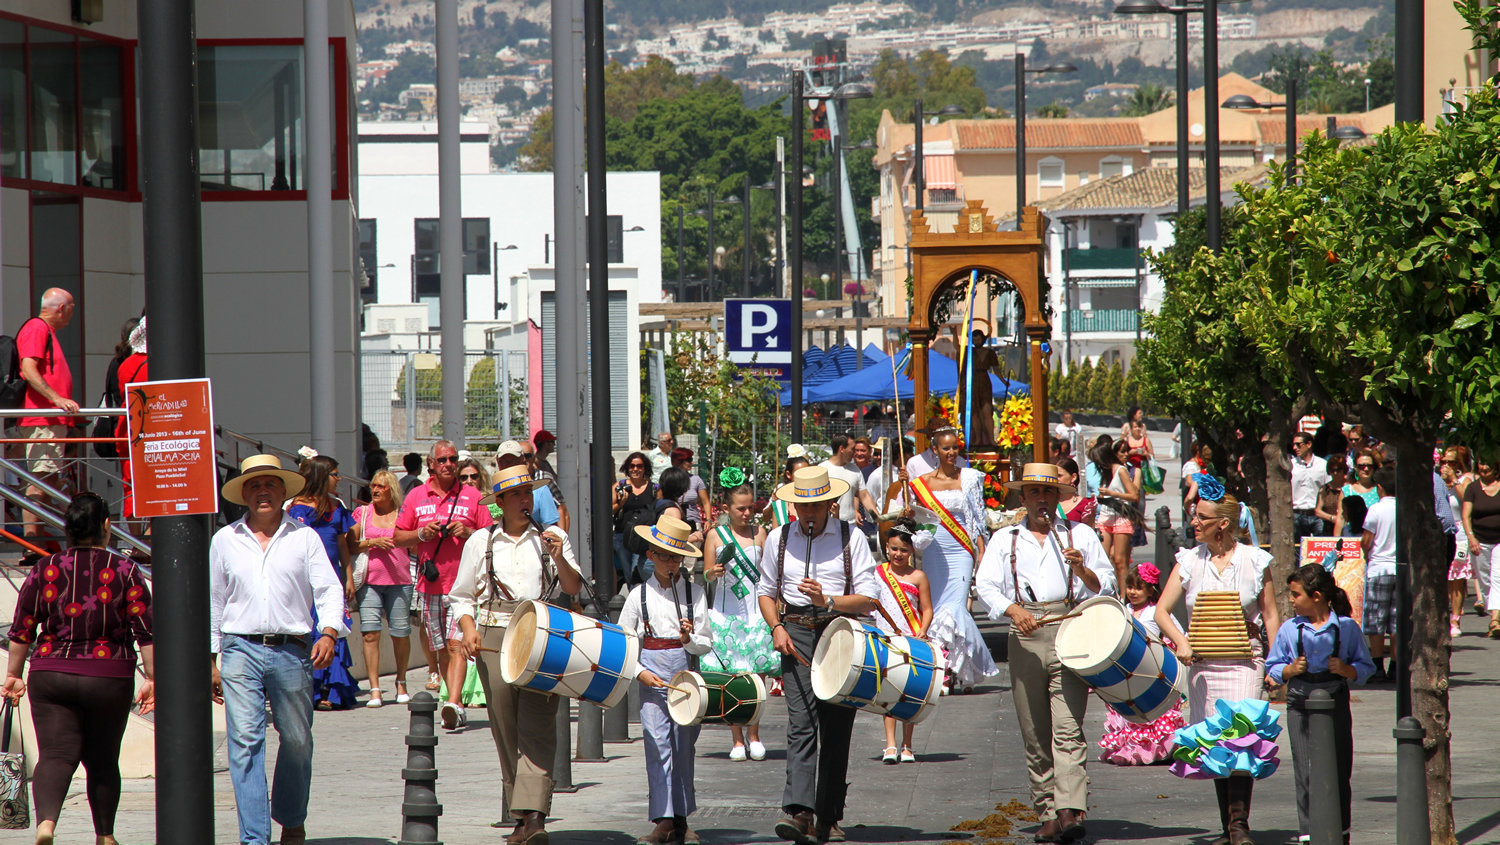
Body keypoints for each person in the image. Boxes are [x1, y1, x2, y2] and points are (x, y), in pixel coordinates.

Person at [974, 463, 1115, 843]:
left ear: (1059, 498)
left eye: (1048, 493)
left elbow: (1108, 584)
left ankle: (1070, 808)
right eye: (1034, 492)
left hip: (1070, 630)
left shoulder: (1080, 534)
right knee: (1035, 731)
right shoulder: (1007, 540)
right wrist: (1012, 609)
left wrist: (1084, 570)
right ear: (1023, 499)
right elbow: (985, 584)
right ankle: (1048, 810)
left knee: (1068, 728)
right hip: (1026, 635)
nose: (1041, 500)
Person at [211, 455, 346, 845]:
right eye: (253, 485)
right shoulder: (225, 540)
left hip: (292, 650)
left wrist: (329, 633)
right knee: (246, 742)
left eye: (270, 484)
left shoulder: (304, 537)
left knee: (298, 738)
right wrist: (213, 657)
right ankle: (255, 838)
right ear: (244, 495)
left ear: (285, 491)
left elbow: (328, 588)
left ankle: (291, 817)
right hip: (240, 649)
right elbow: (215, 601)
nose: (262, 491)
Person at [4, 493, 154, 845]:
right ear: (106, 526)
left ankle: (47, 825)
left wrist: (13, 674)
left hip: (50, 671)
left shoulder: (44, 569)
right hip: (108, 674)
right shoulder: (126, 570)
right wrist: (152, 678)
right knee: (102, 758)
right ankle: (105, 836)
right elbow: (146, 631)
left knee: (55, 754)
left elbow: (22, 627)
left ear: (67, 529)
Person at [452, 464, 582, 845]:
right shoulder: (480, 541)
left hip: (542, 632)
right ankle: (521, 816)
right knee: (505, 725)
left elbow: (573, 585)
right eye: (517, 494)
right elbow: (461, 595)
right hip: (495, 634)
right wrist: (469, 629)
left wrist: (560, 557)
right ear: (502, 502)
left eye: (528, 492)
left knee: (541, 723)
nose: (526, 499)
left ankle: (536, 816)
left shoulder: (552, 536)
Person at [759, 467, 880, 845]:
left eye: (815, 505)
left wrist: (826, 599)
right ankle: (799, 812)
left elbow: (868, 596)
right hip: (795, 631)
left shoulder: (852, 536)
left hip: (840, 632)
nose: (808, 513)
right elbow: (765, 591)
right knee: (801, 721)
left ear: (830, 503)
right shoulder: (778, 538)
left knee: (837, 724)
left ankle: (829, 814)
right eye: (801, 505)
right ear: (793, 505)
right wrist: (776, 627)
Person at [1156, 482, 1281, 845]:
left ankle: (1239, 826)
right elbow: (1162, 611)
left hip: (1245, 659)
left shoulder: (1256, 561)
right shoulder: (1189, 560)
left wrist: (1276, 664)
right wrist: (1181, 641)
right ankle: (1229, 826)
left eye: (1202, 517)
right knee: (1214, 743)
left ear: (1222, 524)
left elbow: (1271, 615)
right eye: (1195, 515)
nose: (1194, 522)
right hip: (1204, 663)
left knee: (1241, 737)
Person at [1265, 564, 1374, 845]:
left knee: (1339, 770)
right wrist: (1289, 670)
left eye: (1295, 594)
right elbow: (1273, 667)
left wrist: (1346, 669)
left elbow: (1366, 666)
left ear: (1315, 596)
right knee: (1305, 772)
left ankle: (1341, 833)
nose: (1290, 599)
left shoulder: (1346, 628)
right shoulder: (1290, 628)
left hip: (1334, 699)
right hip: (1300, 702)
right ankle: (1309, 834)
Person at [621, 515, 712, 845]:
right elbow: (626, 642)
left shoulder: (695, 593)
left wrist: (689, 638)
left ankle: (682, 819)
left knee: (683, 746)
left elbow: (706, 641)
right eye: (664, 556)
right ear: (650, 555)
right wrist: (640, 673)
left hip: (685, 675)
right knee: (657, 745)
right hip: (652, 676)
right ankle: (662, 819)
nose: (671, 563)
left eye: (676, 557)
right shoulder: (638, 596)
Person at [394, 440, 494, 730]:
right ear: (431, 465)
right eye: (443, 460)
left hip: (464, 587)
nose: (449, 464)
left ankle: (455, 704)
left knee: (455, 644)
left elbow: (491, 534)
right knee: (440, 648)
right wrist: (422, 534)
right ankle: (453, 696)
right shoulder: (415, 496)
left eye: (452, 459)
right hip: (429, 585)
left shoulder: (473, 496)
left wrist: (469, 532)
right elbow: (398, 537)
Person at [908, 428, 998, 693]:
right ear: (934, 450)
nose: (951, 453)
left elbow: (977, 517)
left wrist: (982, 551)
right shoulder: (921, 483)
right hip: (935, 551)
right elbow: (918, 518)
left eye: (955, 448)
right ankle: (945, 670)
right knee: (936, 608)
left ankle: (964, 669)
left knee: (957, 606)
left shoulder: (969, 478)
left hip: (961, 550)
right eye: (945, 448)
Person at [702, 482, 775, 762]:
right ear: (726, 509)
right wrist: (713, 572)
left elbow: (768, 575)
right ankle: (736, 739)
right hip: (726, 613)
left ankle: (754, 735)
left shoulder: (761, 533)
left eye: (750, 508)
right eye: (740, 508)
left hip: (756, 614)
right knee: (731, 679)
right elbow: (706, 574)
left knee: (757, 676)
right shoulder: (714, 536)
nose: (747, 513)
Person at [287, 457, 361, 711]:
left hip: (333, 580)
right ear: (321, 476)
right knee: (315, 632)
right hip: (308, 583)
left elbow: (342, 545)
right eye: (335, 474)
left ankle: (332, 690)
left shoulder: (337, 506)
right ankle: (316, 690)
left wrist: (348, 577)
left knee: (334, 630)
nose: (339, 479)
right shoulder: (298, 508)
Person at [1097, 563, 1187, 766]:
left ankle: (1155, 749)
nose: (1132, 592)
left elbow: (1178, 633)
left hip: (1152, 670)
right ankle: (1131, 749)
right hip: (1126, 671)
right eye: (1129, 587)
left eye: (1138, 588)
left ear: (1150, 589)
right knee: (1129, 711)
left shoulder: (1157, 612)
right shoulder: (1123, 610)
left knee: (1153, 711)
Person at [16, 289, 81, 549]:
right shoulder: (37, 327)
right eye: (72, 308)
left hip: (49, 420)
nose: (72, 315)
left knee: (49, 480)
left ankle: (39, 542)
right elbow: (28, 368)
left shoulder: (43, 330)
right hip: (42, 420)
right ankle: (32, 545)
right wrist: (57, 399)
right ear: (62, 308)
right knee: (40, 481)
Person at [351, 469, 412, 707]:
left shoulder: (404, 513)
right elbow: (350, 544)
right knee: (370, 634)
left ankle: (402, 682)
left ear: (392, 490)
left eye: (381, 487)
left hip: (400, 582)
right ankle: (374, 688)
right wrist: (372, 542)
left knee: (401, 633)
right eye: (373, 485)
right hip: (370, 583)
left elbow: (414, 542)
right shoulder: (363, 513)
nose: (375, 490)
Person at [872, 521, 932, 764]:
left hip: (912, 638)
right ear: (887, 547)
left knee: (910, 693)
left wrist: (923, 631)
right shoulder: (877, 572)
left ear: (912, 551)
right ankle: (890, 744)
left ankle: (908, 745)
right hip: (885, 639)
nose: (898, 554)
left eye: (904, 550)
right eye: (894, 548)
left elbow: (927, 609)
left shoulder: (919, 576)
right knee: (888, 691)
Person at [1360, 465, 1398, 674]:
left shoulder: (1375, 509)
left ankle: (1376, 666)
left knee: (1376, 620)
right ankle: (1395, 665)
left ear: (1380, 487)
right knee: (1396, 621)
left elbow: (1366, 541)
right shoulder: (1403, 508)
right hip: (1400, 569)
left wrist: (1365, 552)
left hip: (1378, 568)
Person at [1089, 435, 1140, 583]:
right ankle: (1107, 592)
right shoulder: (1105, 472)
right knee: (1103, 559)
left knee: (1119, 561)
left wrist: (1112, 494)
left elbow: (1134, 495)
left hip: (1121, 517)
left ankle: (1124, 597)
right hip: (1105, 517)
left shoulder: (1121, 470)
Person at [113, 320, 149, 529]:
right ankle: (149, 542)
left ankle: (136, 541)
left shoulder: (126, 364)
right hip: (153, 429)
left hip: (127, 429)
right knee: (159, 484)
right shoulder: (161, 364)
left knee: (131, 487)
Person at [1442, 447, 1475, 637]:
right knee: (1443, 578)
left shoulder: (1464, 481)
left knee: (1457, 578)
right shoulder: (1437, 482)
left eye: (1451, 462)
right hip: (1442, 532)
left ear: (1459, 464)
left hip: (1460, 533)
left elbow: (1468, 500)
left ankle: (1455, 619)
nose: (1446, 466)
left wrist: (1454, 481)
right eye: (1444, 462)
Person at [1463, 459, 1500, 621]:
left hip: (1499, 540)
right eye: (1481, 463)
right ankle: (1494, 611)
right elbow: (1465, 516)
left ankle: (1495, 619)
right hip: (1480, 540)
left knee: (1497, 578)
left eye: (1488, 464)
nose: (1484, 467)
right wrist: (1471, 537)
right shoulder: (1472, 488)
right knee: (1484, 580)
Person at [614, 450, 657, 587]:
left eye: (639, 466)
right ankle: (634, 601)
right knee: (628, 573)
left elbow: (660, 511)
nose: (635, 469)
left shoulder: (654, 488)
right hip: (622, 536)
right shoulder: (618, 487)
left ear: (645, 468)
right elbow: (606, 510)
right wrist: (621, 503)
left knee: (638, 570)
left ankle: (642, 599)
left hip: (644, 537)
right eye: (632, 466)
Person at [821, 433, 881, 528]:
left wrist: (878, 519)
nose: (854, 453)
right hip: (827, 526)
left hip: (851, 526)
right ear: (841, 449)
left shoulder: (855, 470)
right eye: (852, 449)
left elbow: (864, 496)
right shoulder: (822, 470)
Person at [956, 329, 1004, 445]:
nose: (977, 342)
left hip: (985, 382)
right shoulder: (969, 351)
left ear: (983, 339)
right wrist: (954, 334)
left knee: (987, 411)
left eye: (979, 339)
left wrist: (1003, 381)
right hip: (972, 382)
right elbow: (957, 348)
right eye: (974, 339)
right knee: (974, 412)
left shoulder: (990, 352)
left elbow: (996, 369)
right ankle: (977, 439)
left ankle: (991, 439)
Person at [1290, 432, 1330, 546]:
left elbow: (1328, 488)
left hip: (1317, 514)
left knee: (1320, 547)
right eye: (1293, 444)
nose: (1294, 448)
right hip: (1296, 513)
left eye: (1298, 444)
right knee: (1298, 549)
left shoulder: (1322, 465)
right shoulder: (1291, 465)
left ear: (1308, 444)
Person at [763, 453, 812, 527]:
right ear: (788, 474)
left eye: (807, 473)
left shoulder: (815, 492)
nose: (804, 477)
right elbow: (766, 519)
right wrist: (774, 503)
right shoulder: (780, 491)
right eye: (799, 474)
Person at [671, 448, 711, 530]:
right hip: (673, 523)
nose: (692, 462)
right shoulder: (669, 479)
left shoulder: (696, 479)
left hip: (693, 522)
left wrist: (708, 520)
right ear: (678, 461)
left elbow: (705, 502)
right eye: (689, 460)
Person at [1055, 458, 1095, 527]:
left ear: (1073, 477)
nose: (1055, 479)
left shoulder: (1085, 505)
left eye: (1059, 476)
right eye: (1054, 476)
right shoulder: (1050, 501)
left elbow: (1089, 532)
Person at [1316, 456, 1347, 536]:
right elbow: (1317, 511)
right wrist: (1332, 518)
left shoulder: (1350, 487)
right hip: (1329, 528)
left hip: (1348, 528)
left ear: (1344, 470)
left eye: (1338, 470)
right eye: (1332, 470)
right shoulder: (1325, 489)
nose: (1335, 473)